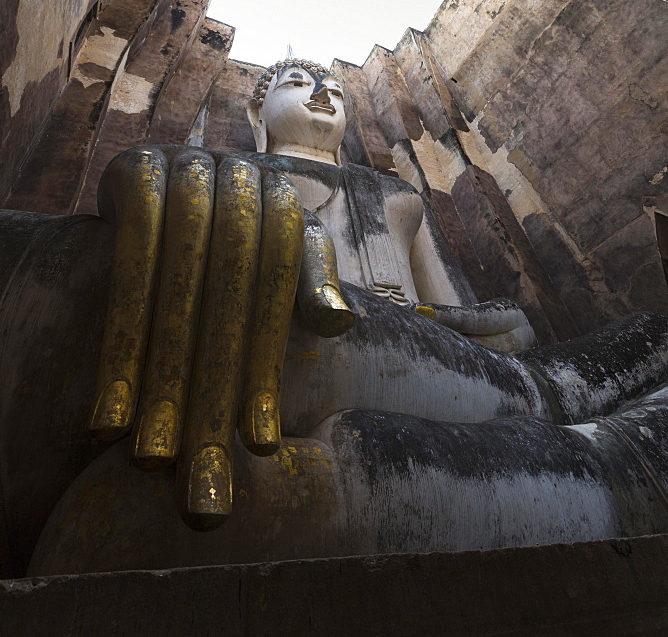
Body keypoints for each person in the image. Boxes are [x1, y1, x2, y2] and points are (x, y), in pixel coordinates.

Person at [2, 60, 668, 577]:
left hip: (419, 354)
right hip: (290, 341)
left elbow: (484, 320)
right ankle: (609, 467)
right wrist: (165, 185)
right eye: (297, 83)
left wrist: (452, 322)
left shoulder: (396, 195)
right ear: (258, 106)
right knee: (562, 395)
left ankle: (589, 451)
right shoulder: (227, 169)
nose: (321, 95)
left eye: (334, 91)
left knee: (572, 375)